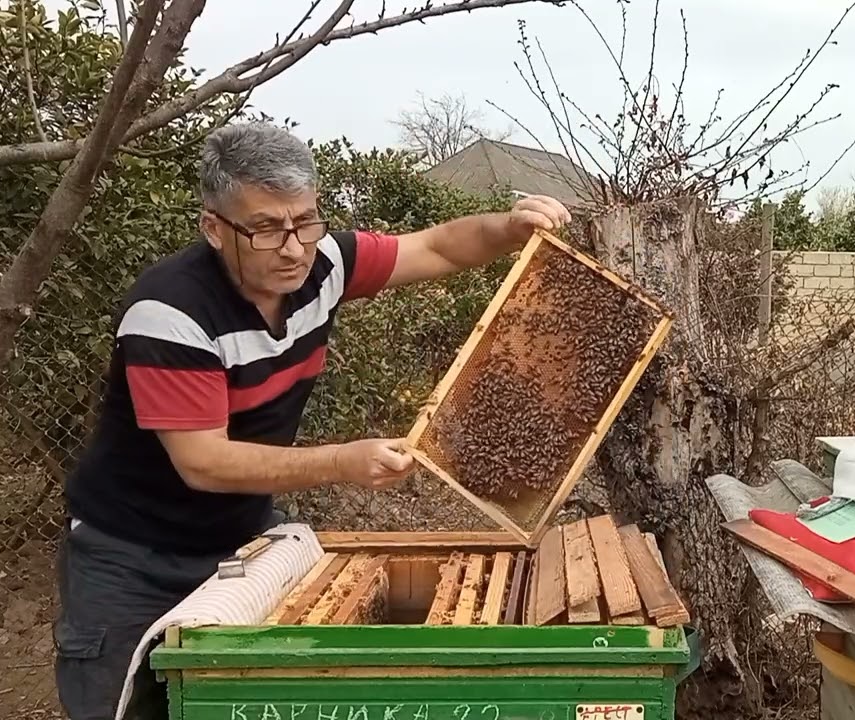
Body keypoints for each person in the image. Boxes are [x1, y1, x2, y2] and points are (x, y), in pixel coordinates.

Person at [53, 121, 571, 720]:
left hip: (239, 545)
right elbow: (204, 462)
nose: (295, 247)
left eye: (305, 220)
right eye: (267, 229)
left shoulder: (322, 264)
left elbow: (435, 246)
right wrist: (341, 461)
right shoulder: (170, 313)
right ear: (214, 229)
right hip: (132, 558)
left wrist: (507, 227)